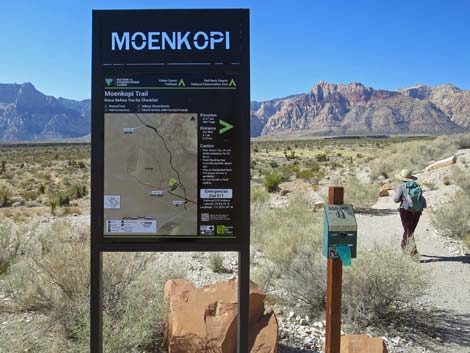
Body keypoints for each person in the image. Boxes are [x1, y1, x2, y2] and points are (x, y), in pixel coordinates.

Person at [393, 169, 427, 256]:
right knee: (410, 231)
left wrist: (403, 198)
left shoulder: (401, 186)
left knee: (409, 231)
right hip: (417, 211)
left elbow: (396, 200)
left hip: (405, 210)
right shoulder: (417, 185)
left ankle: (413, 253)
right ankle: (403, 246)